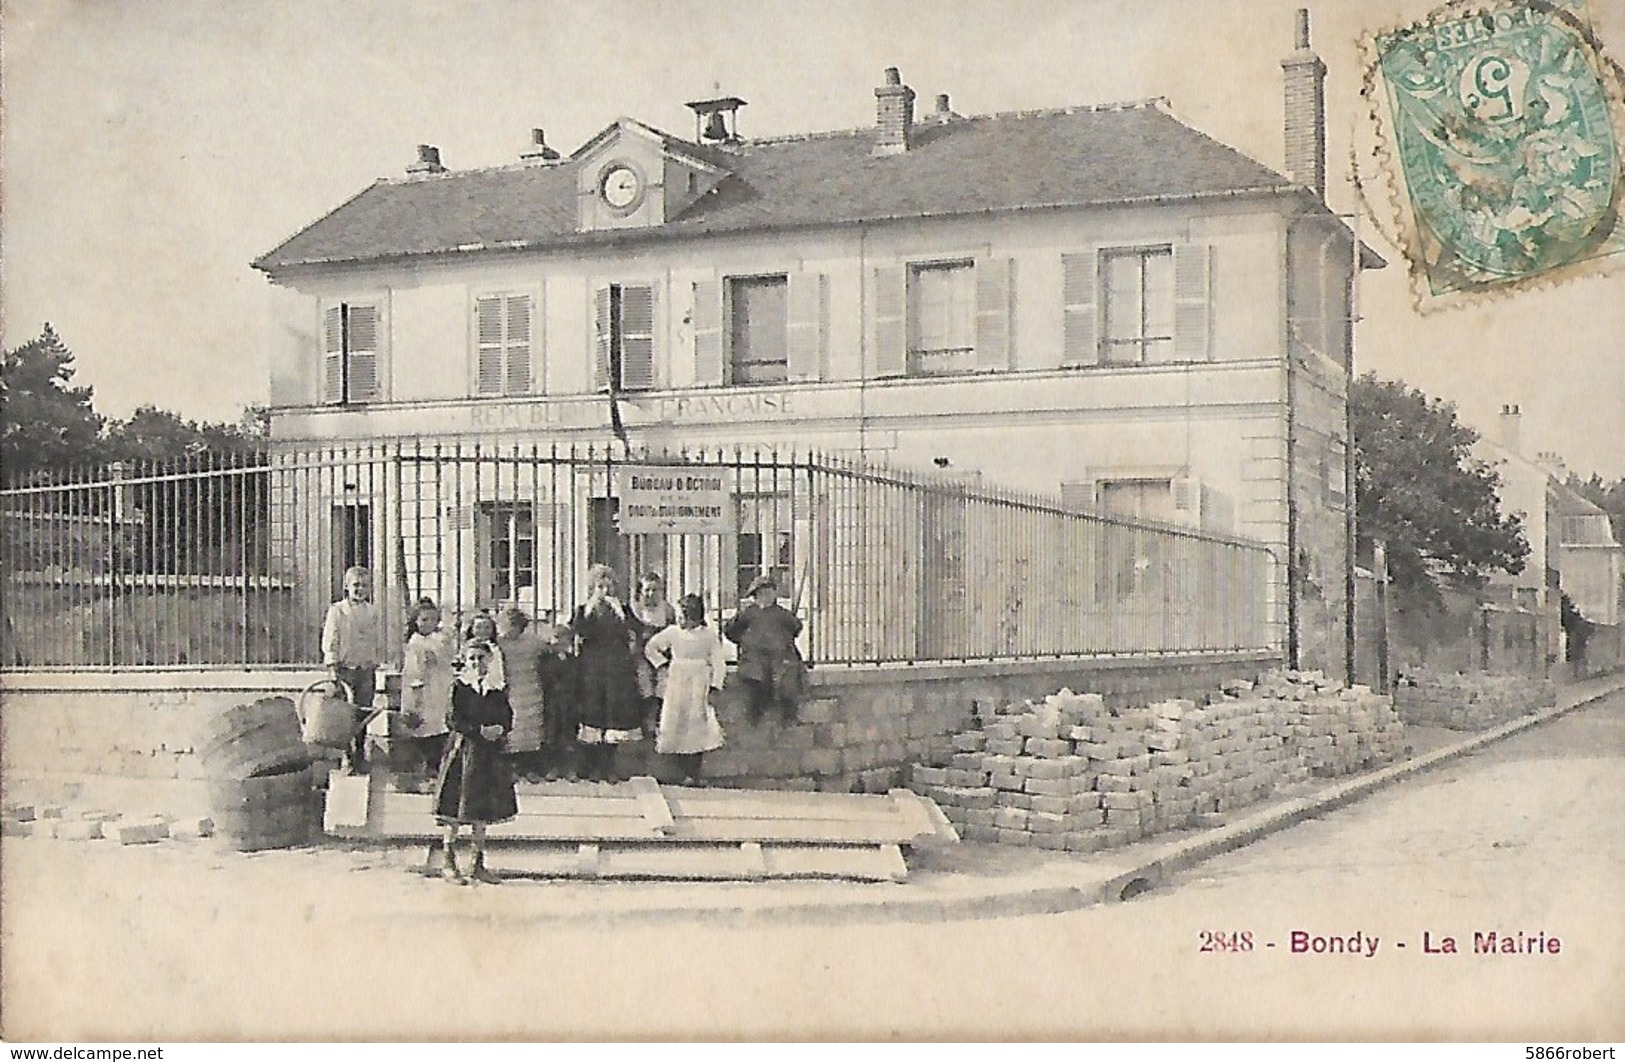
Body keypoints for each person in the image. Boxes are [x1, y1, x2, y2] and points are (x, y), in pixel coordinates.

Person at [432, 638, 518, 885]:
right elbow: (453, 720)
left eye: (481, 658)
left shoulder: (496, 690)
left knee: (481, 810)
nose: (477, 663)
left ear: (490, 660)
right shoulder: (459, 687)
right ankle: (448, 863)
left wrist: (499, 729)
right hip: (464, 752)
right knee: (455, 809)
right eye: (472, 658)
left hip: (488, 756)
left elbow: (508, 717)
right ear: (465, 661)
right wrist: (479, 730)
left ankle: (477, 863)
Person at [570, 564, 643, 782]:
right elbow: (578, 630)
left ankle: (608, 767)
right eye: (599, 585)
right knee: (592, 714)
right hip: (592, 669)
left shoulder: (623, 609)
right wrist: (591, 608)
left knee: (614, 716)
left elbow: (637, 629)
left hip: (617, 669)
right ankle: (590, 767)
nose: (604, 589)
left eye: (608, 584)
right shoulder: (584, 610)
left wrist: (620, 611)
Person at [643, 594, 727, 784]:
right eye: (679, 615)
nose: (680, 619)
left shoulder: (708, 636)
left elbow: (718, 662)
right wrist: (662, 664)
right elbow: (651, 647)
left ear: (695, 617)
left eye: (683, 616)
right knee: (676, 722)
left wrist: (715, 686)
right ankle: (679, 771)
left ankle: (693, 772)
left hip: (698, 681)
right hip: (677, 681)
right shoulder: (673, 633)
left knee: (696, 725)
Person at [321, 566, 385, 774]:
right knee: (345, 713)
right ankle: (346, 756)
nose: (360, 589)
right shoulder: (337, 610)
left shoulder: (373, 611)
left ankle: (360, 754)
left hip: (365, 669)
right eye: (356, 585)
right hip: (344, 669)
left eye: (364, 586)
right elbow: (330, 640)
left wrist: (375, 660)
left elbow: (376, 638)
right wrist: (332, 668)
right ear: (347, 587)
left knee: (363, 712)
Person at [723, 574, 806, 724]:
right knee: (755, 681)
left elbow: (796, 628)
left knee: (788, 682)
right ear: (755, 596)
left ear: (774, 594)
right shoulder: (748, 614)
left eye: (769, 592)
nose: (765, 597)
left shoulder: (782, 614)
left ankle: (788, 716)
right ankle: (756, 713)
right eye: (761, 593)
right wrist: (744, 642)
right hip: (754, 659)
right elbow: (730, 630)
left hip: (780, 660)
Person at [400, 598, 454, 791]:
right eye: (424, 620)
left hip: (440, 689)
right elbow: (415, 673)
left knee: (441, 728)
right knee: (424, 728)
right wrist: (416, 698)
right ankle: (426, 772)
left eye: (432, 619)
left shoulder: (439, 640)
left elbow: (449, 660)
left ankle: (438, 771)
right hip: (423, 691)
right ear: (416, 621)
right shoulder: (415, 643)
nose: (429, 623)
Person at [497, 607, 547, 781]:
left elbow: (546, 652)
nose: (510, 629)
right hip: (510, 686)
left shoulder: (533, 641)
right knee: (514, 726)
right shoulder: (499, 643)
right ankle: (513, 766)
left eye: (514, 625)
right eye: (507, 625)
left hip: (530, 685)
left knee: (531, 727)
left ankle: (530, 766)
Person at [629, 572, 678, 735]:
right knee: (643, 677)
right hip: (640, 654)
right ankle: (645, 717)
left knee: (664, 678)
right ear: (640, 592)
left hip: (662, 654)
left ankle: (658, 717)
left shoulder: (667, 610)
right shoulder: (634, 609)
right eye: (647, 590)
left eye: (655, 590)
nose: (651, 594)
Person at [536, 613, 578, 780]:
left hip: (569, 703)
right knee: (551, 735)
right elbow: (545, 679)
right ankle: (551, 768)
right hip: (552, 702)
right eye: (557, 638)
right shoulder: (545, 659)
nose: (561, 642)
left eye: (565, 639)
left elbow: (577, 679)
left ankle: (569, 768)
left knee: (569, 736)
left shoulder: (574, 660)